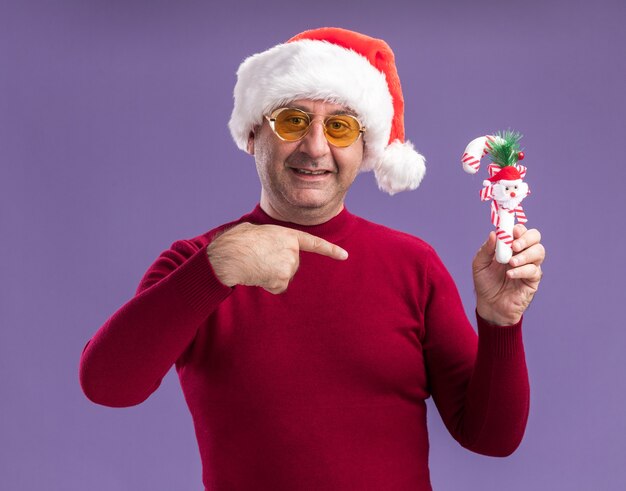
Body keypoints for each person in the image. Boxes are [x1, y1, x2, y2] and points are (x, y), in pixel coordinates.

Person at [80, 27, 545, 491]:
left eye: (339, 126)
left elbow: (491, 437)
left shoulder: (413, 266)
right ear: (252, 134)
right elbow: (107, 385)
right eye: (292, 121)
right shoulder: (197, 263)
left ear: (365, 148)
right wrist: (213, 273)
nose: (316, 147)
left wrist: (501, 323)